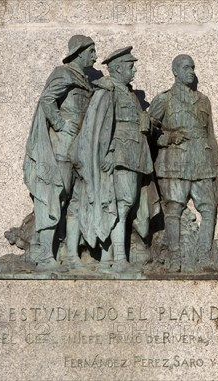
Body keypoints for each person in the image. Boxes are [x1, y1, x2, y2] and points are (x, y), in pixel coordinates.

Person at [75, 46, 159, 273]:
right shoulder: (107, 90)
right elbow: (98, 128)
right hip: (119, 158)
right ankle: (118, 258)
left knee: (125, 204)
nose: (134, 70)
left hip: (132, 157)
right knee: (120, 206)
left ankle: (108, 258)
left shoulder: (128, 93)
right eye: (131, 66)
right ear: (118, 69)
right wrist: (108, 154)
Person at [23, 35, 97, 272]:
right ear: (79, 52)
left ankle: (72, 254)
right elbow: (47, 99)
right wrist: (60, 123)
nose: (95, 56)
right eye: (92, 51)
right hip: (62, 147)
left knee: (76, 201)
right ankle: (45, 253)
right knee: (54, 197)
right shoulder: (64, 73)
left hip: (82, 149)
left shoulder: (85, 81)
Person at [149, 54, 218, 272]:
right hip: (175, 162)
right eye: (186, 67)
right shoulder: (164, 99)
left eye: (193, 67)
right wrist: (168, 138)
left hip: (201, 161)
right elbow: (150, 132)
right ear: (175, 71)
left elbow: (210, 135)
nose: (191, 71)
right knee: (173, 209)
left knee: (209, 208)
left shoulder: (203, 101)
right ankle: (174, 258)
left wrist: (217, 166)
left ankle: (204, 256)